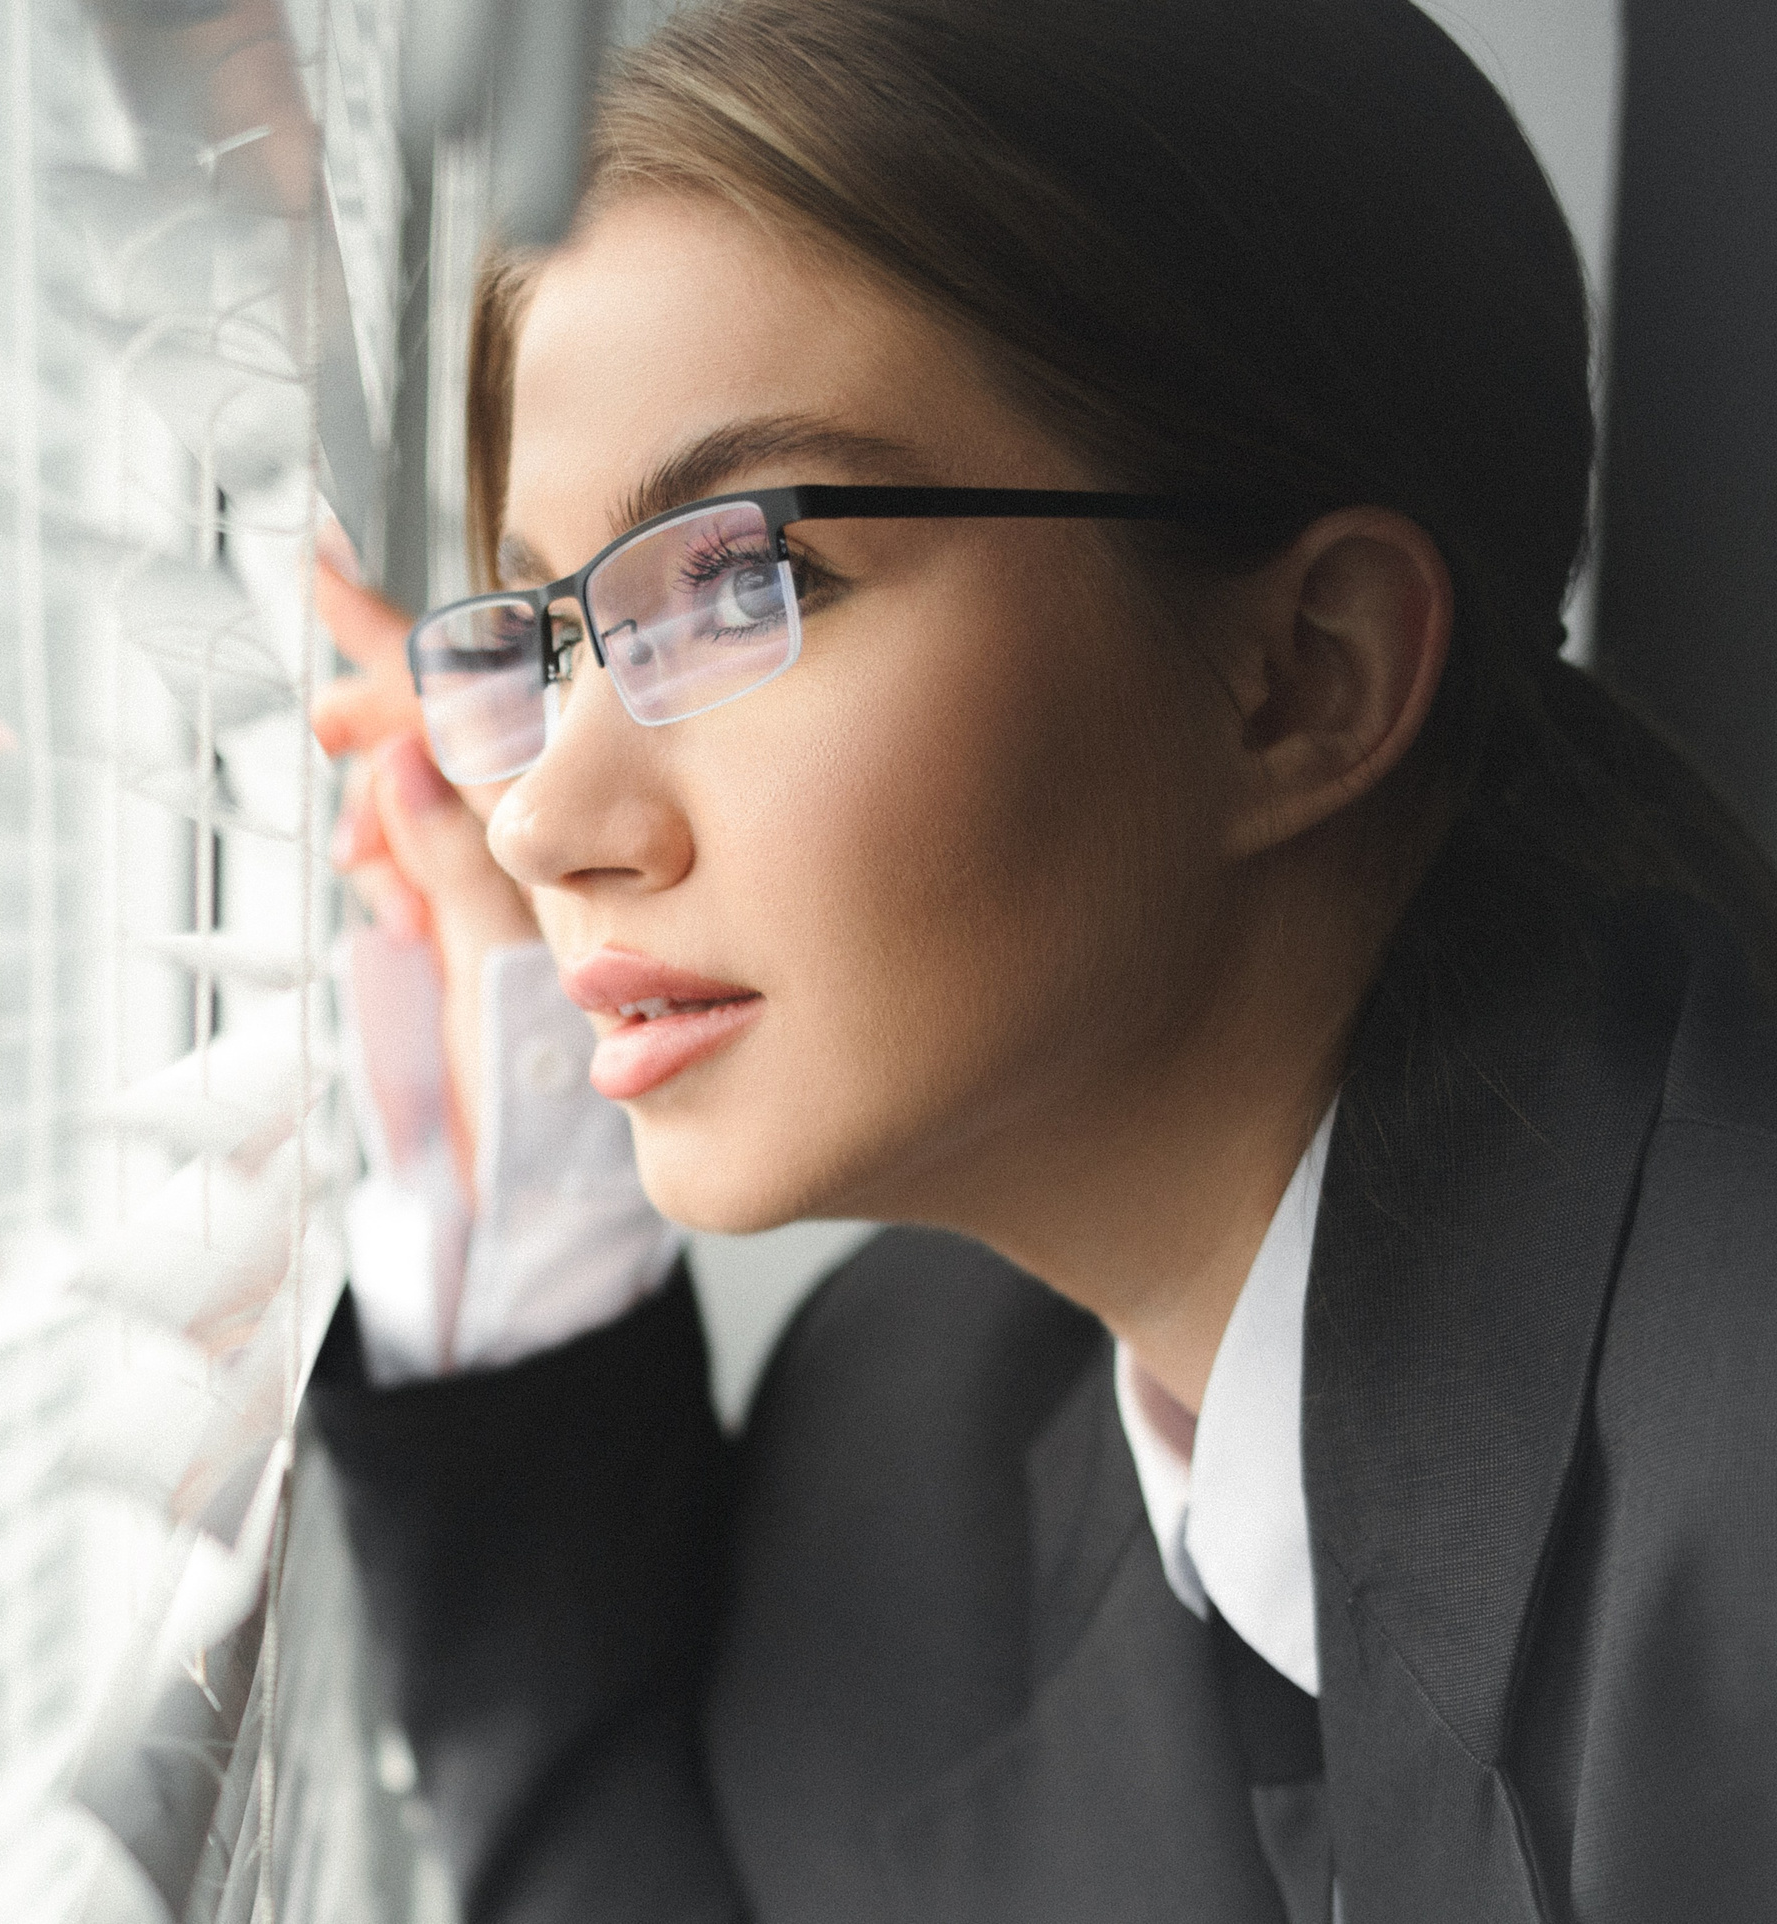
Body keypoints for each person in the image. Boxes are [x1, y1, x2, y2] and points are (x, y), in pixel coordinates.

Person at [303, 2, 1777, 1918]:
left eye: (746, 585)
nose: (541, 823)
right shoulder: (915, 1430)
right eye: (552, 635)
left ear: (1302, 674)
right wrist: (519, 1246)